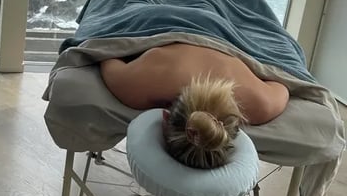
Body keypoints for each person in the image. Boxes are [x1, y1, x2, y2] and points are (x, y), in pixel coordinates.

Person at [99, 42, 290, 169]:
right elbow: (106, 52)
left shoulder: (260, 105)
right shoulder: (135, 87)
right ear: (165, 117)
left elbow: (284, 86)